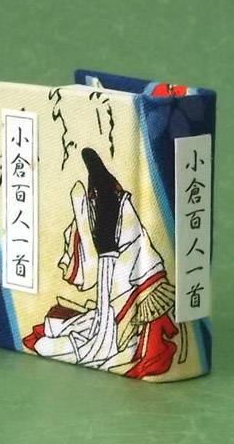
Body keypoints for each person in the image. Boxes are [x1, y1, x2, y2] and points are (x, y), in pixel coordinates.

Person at [23, 148, 182, 379]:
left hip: (140, 285)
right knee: (79, 326)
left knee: (81, 335)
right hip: (123, 279)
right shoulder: (116, 205)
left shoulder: (121, 211)